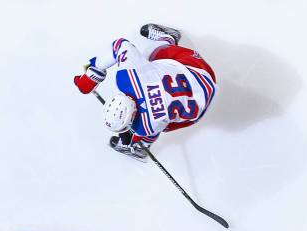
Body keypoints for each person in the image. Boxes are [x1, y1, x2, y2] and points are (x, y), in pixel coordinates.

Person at [73, 23, 217, 161]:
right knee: (148, 59)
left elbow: (149, 130)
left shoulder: (146, 126)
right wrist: (93, 75)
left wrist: (134, 141)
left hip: (200, 106)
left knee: (166, 122)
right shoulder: (128, 79)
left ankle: (168, 38)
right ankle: (166, 42)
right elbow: (121, 45)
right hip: (200, 73)